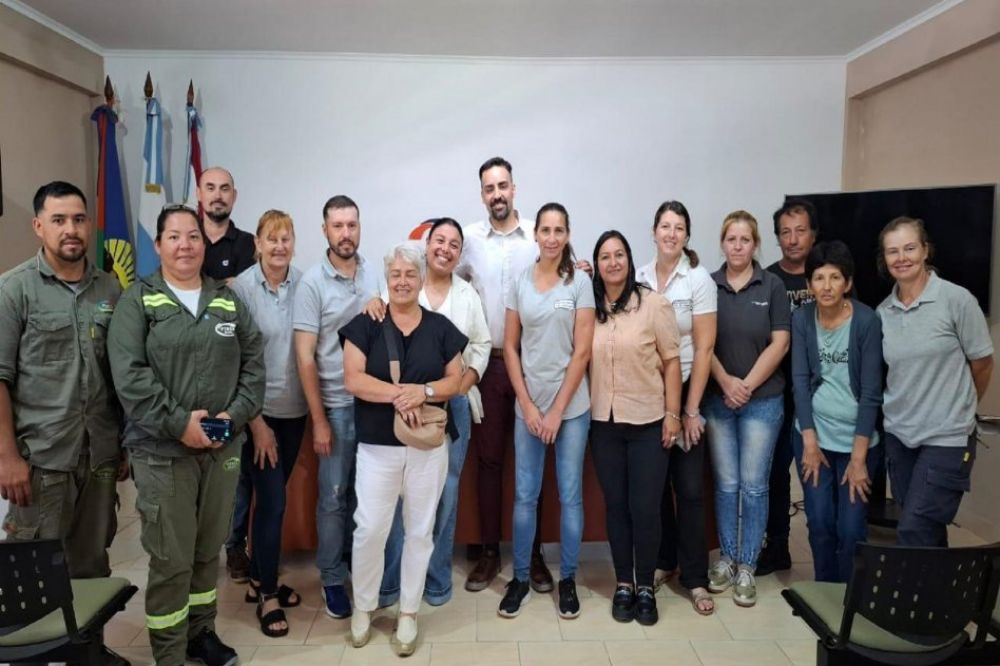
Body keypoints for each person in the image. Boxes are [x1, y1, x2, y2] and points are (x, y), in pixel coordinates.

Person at [108, 204, 264, 666]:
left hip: (221, 449)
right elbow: (130, 377)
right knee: (171, 558)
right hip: (162, 453)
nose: (185, 245)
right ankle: (170, 652)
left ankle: (201, 635)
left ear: (205, 244)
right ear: (157, 245)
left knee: (205, 551)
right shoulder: (139, 301)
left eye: (193, 236)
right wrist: (181, 425)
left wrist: (231, 419)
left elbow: (254, 363)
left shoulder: (228, 300)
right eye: (173, 236)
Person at [0, 181, 128, 666]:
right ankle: (34, 655)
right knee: (35, 569)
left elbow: (117, 374)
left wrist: (122, 447)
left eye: (78, 219)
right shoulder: (14, 290)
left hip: (98, 454)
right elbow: (0, 378)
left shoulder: (109, 289)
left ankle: (85, 649)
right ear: (38, 226)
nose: (70, 230)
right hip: (40, 459)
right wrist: (7, 457)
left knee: (92, 560)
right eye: (58, 220)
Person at [339, 243, 467, 656]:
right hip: (378, 449)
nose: (403, 281)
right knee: (370, 530)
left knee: (418, 531)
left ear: (421, 278)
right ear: (386, 279)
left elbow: (457, 381)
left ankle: (408, 613)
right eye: (395, 274)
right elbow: (354, 380)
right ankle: (364, 606)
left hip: (428, 449)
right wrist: (401, 395)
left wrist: (425, 391)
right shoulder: (367, 324)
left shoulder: (441, 327)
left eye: (410, 274)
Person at [373, 218, 491, 607]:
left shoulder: (467, 294)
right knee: (399, 493)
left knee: (446, 491)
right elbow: (379, 329)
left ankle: (437, 578)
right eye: (439, 240)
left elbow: (482, 343)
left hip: (451, 405)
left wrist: (465, 381)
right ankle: (391, 582)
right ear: (426, 245)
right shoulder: (405, 282)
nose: (445, 248)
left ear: (459, 254)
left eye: (454, 244)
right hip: (404, 403)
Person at [458, 156, 552, 594]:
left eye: (503, 186)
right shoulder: (469, 240)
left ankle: (532, 555)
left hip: (532, 363)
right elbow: (441, 279)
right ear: (483, 195)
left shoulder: (539, 235)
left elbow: (565, 277)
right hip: (488, 363)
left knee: (531, 463)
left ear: (514, 189)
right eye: (489, 188)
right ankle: (491, 552)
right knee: (490, 460)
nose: (497, 194)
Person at [497, 202, 595, 620]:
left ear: (568, 235)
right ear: (535, 235)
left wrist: (555, 412)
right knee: (525, 496)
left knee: (570, 495)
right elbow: (510, 348)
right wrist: (528, 405)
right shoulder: (519, 282)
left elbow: (582, 353)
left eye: (560, 230)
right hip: (529, 409)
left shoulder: (579, 284)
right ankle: (520, 578)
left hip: (570, 410)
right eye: (546, 230)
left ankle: (568, 579)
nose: (552, 237)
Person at [293, 195, 384, 620]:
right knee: (333, 497)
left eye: (352, 224)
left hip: (372, 405)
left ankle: (357, 568)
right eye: (337, 226)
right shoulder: (312, 283)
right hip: (334, 406)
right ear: (325, 230)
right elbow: (305, 356)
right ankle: (331, 577)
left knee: (366, 497)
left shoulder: (372, 274)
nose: (346, 233)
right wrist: (319, 421)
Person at [877, 217, 993, 547]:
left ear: (925, 250)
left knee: (915, 527)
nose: (902, 258)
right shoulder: (883, 312)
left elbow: (983, 364)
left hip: (947, 436)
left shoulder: (958, 300)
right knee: (924, 529)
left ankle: (919, 597)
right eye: (892, 251)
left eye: (910, 248)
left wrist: (961, 409)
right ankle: (936, 596)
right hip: (900, 436)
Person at [590, 230, 681, 626]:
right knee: (617, 508)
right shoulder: (588, 308)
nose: (612, 262)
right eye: (605, 257)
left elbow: (673, 361)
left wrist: (673, 414)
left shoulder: (654, 305)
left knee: (646, 508)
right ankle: (623, 583)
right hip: (604, 423)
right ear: (596, 264)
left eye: (619, 255)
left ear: (629, 260)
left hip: (647, 421)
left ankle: (646, 585)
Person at [704, 210, 790, 608]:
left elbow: (780, 343)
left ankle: (747, 567)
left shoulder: (771, 285)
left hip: (762, 402)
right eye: (731, 239)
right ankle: (725, 558)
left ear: (755, 244)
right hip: (719, 400)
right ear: (722, 243)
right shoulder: (709, 284)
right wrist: (725, 382)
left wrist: (746, 386)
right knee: (726, 485)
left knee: (755, 486)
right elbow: (702, 344)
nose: (737, 246)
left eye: (745, 240)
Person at [636, 200, 717, 616]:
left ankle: (697, 578)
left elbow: (703, 348)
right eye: (664, 226)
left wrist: (690, 409)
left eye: (678, 227)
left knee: (688, 489)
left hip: (685, 389)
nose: (671, 234)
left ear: (687, 236)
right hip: (648, 394)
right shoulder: (640, 276)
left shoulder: (699, 279)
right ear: (654, 231)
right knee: (655, 487)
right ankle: (664, 562)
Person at [230, 210, 308, 636]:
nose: (279, 246)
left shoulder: (305, 285)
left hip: (296, 412)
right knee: (273, 502)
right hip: (259, 417)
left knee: (273, 498)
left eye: (286, 239)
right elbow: (234, 361)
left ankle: (260, 578)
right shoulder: (241, 289)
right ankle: (268, 595)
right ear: (257, 243)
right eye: (271, 239)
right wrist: (255, 423)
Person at [791, 241, 882, 582]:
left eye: (834, 278)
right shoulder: (802, 319)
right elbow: (800, 383)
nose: (826, 286)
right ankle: (824, 593)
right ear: (808, 284)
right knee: (820, 522)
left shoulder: (866, 321)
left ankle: (849, 599)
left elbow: (872, 393)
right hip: (813, 436)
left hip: (857, 443)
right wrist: (809, 442)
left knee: (851, 526)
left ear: (847, 282)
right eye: (818, 278)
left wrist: (859, 459)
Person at [198, 166, 261, 584]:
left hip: (237, 369)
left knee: (235, 469)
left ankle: (234, 544)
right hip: (193, 370)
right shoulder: (187, 236)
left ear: (234, 197)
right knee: (196, 465)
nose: (218, 196)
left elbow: (245, 297)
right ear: (199, 195)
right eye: (210, 188)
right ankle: (198, 547)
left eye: (224, 189)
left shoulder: (248, 244)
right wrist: (225, 285)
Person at [759, 199, 817, 576]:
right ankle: (777, 545)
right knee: (775, 473)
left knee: (818, 475)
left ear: (813, 234)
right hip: (777, 393)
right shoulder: (766, 279)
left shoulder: (829, 274)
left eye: (800, 230)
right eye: (785, 232)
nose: (793, 239)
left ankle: (826, 554)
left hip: (821, 396)